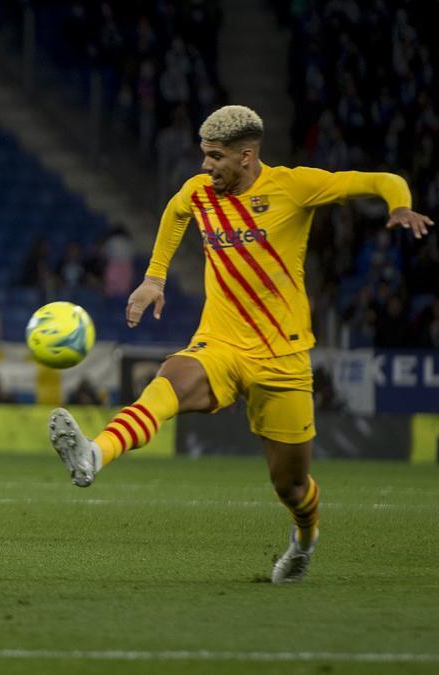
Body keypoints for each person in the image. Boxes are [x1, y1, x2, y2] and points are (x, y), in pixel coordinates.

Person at [48, 105, 433, 584]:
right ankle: (94, 454)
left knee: (290, 484)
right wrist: (154, 278)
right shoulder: (200, 192)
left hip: (283, 357)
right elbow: (175, 212)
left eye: (216, 157)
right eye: (204, 156)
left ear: (247, 156)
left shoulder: (293, 187)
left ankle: (305, 539)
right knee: (172, 378)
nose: (206, 167)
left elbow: (377, 178)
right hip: (221, 343)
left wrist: (399, 204)